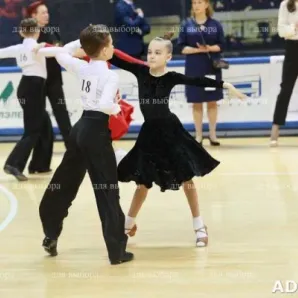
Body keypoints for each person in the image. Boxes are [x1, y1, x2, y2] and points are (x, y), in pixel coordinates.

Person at [107, 32, 246, 246]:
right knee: (142, 182)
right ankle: (128, 223)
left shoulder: (171, 77)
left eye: (158, 53)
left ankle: (199, 225)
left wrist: (226, 86)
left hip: (171, 133)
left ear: (168, 57)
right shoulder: (140, 71)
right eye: (150, 52)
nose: (152, 56)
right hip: (149, 135)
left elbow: (197, 80)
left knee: (186, 179)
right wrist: (99, 43)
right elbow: (113, 57)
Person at [37, 24, 134, 265]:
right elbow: (104, 105)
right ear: (102, 51)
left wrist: (76, 46)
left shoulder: (81, 67)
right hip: (96, 132)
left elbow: (61, 54)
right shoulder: (110, 75)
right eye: (110, 44)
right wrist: (116, 108)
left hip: (79, 130)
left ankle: (50, 232)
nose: (113, 47)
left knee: (64, 181)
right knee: (107, 191)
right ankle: (117, 251)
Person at [0, 18, 66, 181]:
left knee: (45, 128)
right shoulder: (38, 48)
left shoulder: (19, 47)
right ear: (37, 31)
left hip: (27, 88)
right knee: (33, 130)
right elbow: (62, 51)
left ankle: (39, 165)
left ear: (22, 32)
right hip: (33, 89)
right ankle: (14, 164)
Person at [177, 0, 226, 145]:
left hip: (211, 68)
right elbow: (181, 48)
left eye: (199, 2)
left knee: (212, 102)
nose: (196, 5)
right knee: (196, 102)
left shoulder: (215, 25)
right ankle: (198, 135)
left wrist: (209, 48)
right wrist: (197, 50)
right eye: (194, 3)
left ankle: (212, 134)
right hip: (194, 67)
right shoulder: (187, 25)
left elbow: (222, 45)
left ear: (206, 5)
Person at [27, 1, 72, 151]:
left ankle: (73, 149)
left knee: (62, 115)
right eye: (43, 13)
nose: (47, 15)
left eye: (47, 12)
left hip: (54, 81)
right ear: (34, 15)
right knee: (40, 120)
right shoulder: (29, 36)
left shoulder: (53, 31)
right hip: (37, 82)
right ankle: (40, 161)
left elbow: (61, 50)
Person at [270, 0, 298, 146]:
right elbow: (281, 30)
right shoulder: (286, 4)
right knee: (286, 89)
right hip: (292, 48)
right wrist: (294, 27)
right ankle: (275, 130)